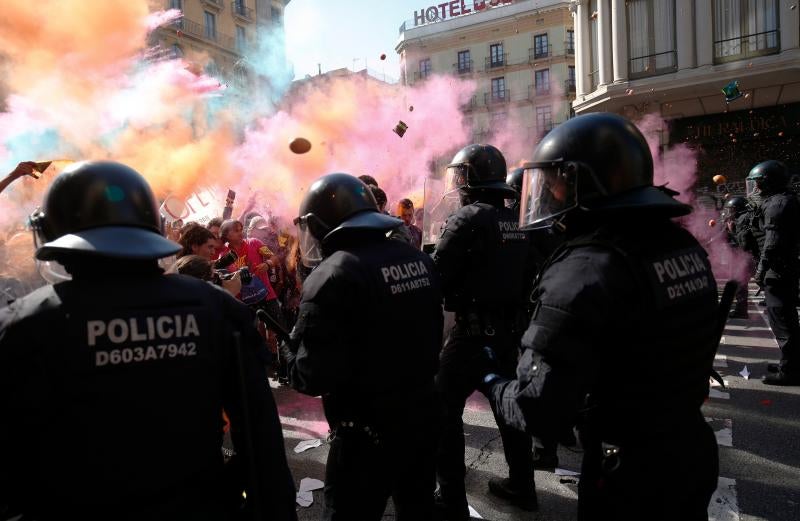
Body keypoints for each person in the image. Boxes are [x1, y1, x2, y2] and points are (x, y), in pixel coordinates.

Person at [0, 161, 297, 521]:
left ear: (52, 233)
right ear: (152, 228)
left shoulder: (25, 325)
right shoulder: (214, 307)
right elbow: (261, 441)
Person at [482, 113, 720, 520]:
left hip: (630, 471)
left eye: (556, 183)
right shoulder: (679, 244)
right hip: (690, 447)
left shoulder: (586, 267)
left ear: (587, 183)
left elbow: (536, 407)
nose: (550, 196)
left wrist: (489, 380)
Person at [281, 173, 443, 521]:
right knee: (418, 510)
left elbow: (311, 377)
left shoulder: (332, 273)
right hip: (422, 418)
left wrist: (288, 349)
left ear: (318, 223)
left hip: (366, 435)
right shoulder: (418, 258)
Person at [432, 144, 536, 517]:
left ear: (470, 179)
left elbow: (437, 276)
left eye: (460, 176)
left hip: (471, 337)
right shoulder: (521, 220)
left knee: (443, 411)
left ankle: (453, 498)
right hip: (509, 333)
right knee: (510, 410)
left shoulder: (466, 219)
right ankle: (523, 486)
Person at [747, 160, 800, 385]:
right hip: (782, 270)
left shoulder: (777, 205)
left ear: (769, 183)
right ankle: (790, 363)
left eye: (758, 184)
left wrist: (760, 270)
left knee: (783, 322)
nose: (755, 190)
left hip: (779, 272)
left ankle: (791, 371)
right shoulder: (781, 201)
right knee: (785, 319)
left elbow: (772, 243)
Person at [722, 196, 755, 319]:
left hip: (743, 257)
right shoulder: (735, 219)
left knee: (741, 284)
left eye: (732, 209)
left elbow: (744, 243)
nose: (729, 212)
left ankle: (741, 311)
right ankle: (740, 310)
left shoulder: (744, 220)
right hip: (736, 257)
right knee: (737, 284)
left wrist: (732, 230)